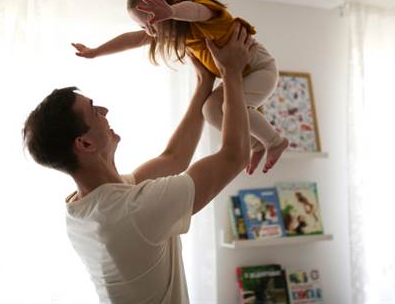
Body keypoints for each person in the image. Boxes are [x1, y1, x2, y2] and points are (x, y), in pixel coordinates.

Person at [23, 26, 253, 303]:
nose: (105, 111)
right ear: (84, 144)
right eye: (94, 109)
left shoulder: (86, 206)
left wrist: (205, 81)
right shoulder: (132, 212)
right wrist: (232, 74)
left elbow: (174, 158)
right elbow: (235, 156)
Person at [71, 0, 288, 174]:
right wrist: (96, 51)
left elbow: (197, 11)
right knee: (210, 110)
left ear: (173, 4)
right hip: (238, 76)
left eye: (152, 22)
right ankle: (257, 143)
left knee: (226, 108)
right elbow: (131, 40)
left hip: (261, 69)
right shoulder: (175, 34)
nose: (150, 30)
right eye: (143, 26)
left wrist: (173, 12)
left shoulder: (204, 15)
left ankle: (275, 142)